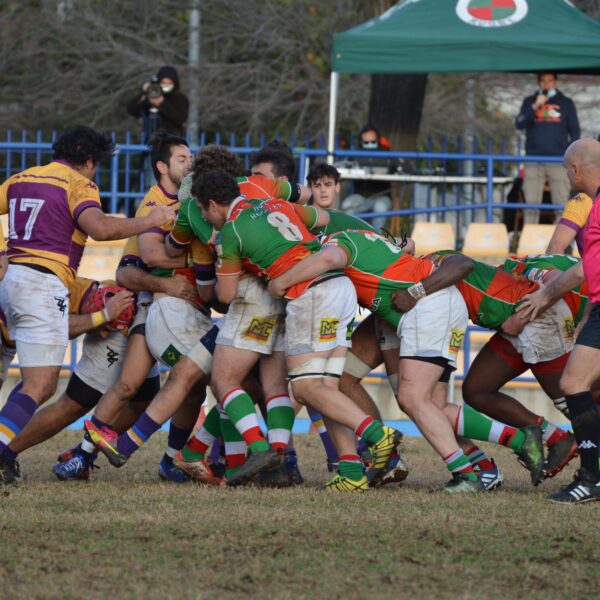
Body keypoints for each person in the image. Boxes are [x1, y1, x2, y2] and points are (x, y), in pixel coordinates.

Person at [0, 125, 174, 485]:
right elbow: (99, 229)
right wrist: (151, 221)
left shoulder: (22, 177)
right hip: (42, 282)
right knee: (42, 385)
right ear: (89, 161)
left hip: (11, 280)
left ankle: (8, 451)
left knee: (36, 378)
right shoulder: (77, 183)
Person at [518, 138, 600, 503]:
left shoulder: (591, 205)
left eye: (567, 169)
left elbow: (583, 266)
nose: (567, 175)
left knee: (573, 382)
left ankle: (591, 477)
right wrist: (586, 313)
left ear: (576, 169)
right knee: (579, 383)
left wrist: (545, 293)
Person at [516, 72, 580, 225]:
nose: (546, 84)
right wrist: (535, 106)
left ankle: (562, 243)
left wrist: (572, 156)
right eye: (543, 81)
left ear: (555, 82)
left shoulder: (566, 102)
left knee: (561, 204)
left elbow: (575, 130)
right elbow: (519, 124)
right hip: (533, 159)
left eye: (550, 81)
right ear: (539, 83)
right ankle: (529, 240)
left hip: (558, 159)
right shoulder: (529, 101)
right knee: (531, 204)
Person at [341, 124, 393, 230]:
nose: (370, 145)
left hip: (382, 196)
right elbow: (344, 167)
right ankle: (352, 238)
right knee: (347, 206)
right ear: (361, 143)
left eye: (373, 142)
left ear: (378, 141)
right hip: (361, 197)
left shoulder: (387, 155)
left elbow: (398, 170)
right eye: (366, 143)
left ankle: (377, 240)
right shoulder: (355, 155)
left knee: (380, 208)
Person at [126, 66, 189, 139]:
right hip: (149, 139)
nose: (166, 85)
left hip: (171, 140)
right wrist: (143, 93)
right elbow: (131, 110)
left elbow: (180, 118)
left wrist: (162, 103)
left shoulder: (180, 98)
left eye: (169, 83)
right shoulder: (150, 95)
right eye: (163, 82)